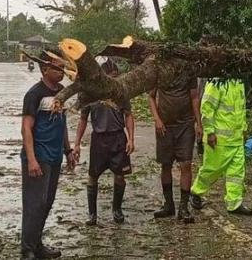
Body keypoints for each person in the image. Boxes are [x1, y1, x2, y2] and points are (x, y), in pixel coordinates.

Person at [21, 49, 76, 259]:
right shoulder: (34, 94)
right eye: (57, 67)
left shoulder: (61, 92)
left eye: (63, 67)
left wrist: (68, 150)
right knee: (34, 203)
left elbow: (61, 124)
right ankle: (27, 249)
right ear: (45, 69)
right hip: (38, 156)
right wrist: (32, 159)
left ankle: (37, 244)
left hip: (55, 157)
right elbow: (26, 128)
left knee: (47, 202)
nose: (62, 71)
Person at [72, 58, 134, 226]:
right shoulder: (90, 93)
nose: (113, 80)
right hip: (99, 139)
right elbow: (83, 119)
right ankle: (92, 214)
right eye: (110, 76)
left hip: (118, 138)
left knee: (120, 176)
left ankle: (117, 209)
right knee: (93, 176)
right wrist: (76, 143)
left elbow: (128, 115)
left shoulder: (121, 93)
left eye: (116, 76)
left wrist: (131, 139)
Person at [190, 78, 252, 215]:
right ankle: (195, 192)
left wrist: (244, 128)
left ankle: (234, 203)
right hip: (219, 139)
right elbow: (207, 108)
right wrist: (210, 131)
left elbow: (241, 109)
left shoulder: (239, 82)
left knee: (236, 173)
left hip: (236, 138)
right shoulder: (216, 83)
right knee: (212, 169)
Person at [149, 73, 201, 223]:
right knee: (166, 165)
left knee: (186, 164)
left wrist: (199, 123)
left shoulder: (188, 71)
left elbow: (194, 97)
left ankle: (183, 207)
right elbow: (151, 97)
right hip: (165, 126)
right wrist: (157, 119)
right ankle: (168, 204)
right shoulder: (159, 71)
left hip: (185, 124)